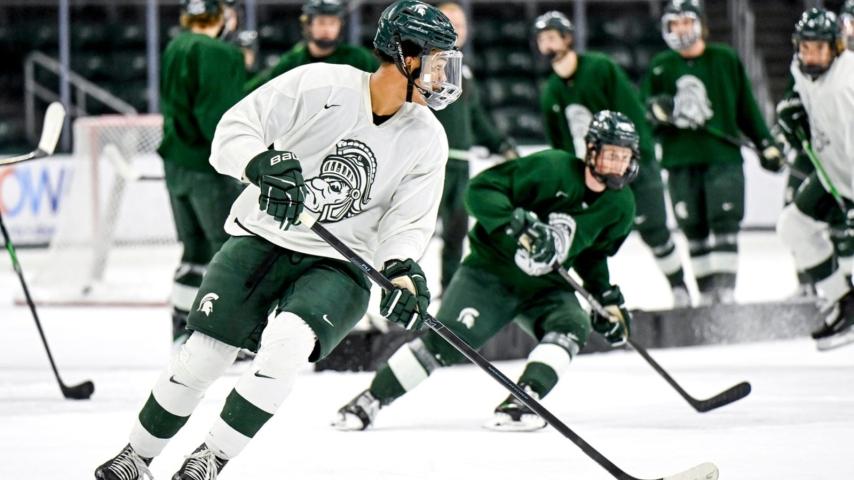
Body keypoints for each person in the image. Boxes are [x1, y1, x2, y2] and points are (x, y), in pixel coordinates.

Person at [94, 2, 460, 478]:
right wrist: (258, 164)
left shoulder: (428, 138)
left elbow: (408, 222)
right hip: (265, 235)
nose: (443, 75)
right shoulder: (320, 84)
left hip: (339, 263)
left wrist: (401, 269)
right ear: (406, 55)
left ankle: (210, 458)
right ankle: (136, 457)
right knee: (203, 356)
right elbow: (233, 132)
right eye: (436, 61)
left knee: (286, 345)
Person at [333, 110, 639, 432]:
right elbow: (479, 190)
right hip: (490, 274)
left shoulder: (621, 206)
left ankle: (524, 399)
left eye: (624, 157)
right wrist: (514, 224)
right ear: (591, 150)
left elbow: (593, 255)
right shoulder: (553, 168)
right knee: (447, 340)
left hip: (546, 286)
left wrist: (604, 299)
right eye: (611, 155)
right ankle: (371, 398)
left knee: (573, 324)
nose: (618, 164)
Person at [534, 11, 691, 308]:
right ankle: (596, 301)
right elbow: (560, 145)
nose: (547, 45)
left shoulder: (600, 68)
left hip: (631, 167)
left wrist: (639, 161)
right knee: (588, 242)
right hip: (592, 178)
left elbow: (633, 113)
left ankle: (680, 288)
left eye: (552, 37)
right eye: (542, 40)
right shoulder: (551, 92)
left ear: (567, 38)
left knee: (655, 230)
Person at [641, 0, 784, 305]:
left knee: (724, 222)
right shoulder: (660, 65)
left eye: (686, 22)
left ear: (700, 24)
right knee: (693, 228)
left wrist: (766, 143)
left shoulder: (724, 59)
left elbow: (747, 108)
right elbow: (646, 116)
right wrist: (656, 112)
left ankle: (726, 295)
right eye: (674, 24)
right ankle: (706, 298)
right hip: (679, 162)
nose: (681, 30)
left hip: (723, 159)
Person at [158, 0, 247, 348]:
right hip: (207, 169)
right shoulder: (220, 53)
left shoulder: (175, 45)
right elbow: (217, 118)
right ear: (221, 17)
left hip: (176, 164)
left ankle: (183, 330)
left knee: (192, 252)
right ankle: (222, 335)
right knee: (228, 252)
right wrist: (244, 161)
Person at [776, 7, 854, 351]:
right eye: (804, 47)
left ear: (836, 47)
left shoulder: (846, 86)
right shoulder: (802, 69)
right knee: (792, 226)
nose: (809, 55)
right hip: (834, 174)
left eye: (818, 48)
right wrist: (791, 109)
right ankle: (845, 303)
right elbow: (800, 93)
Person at [433, 1, 518, 293]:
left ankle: (449, 293)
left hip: (460, 164)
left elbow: (476, 119)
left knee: (456, 233)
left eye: (461, 23)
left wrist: (501, 144)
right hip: (432, 163)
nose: (457, 28)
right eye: (450, 22)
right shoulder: (426, 65)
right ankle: (399, 291)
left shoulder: (463, 70)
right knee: (416, 233)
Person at [244, 0, 378, 93]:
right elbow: (256, 89)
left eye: (332, 23)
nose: (327, 29)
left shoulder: (359, 58)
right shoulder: (293, 61)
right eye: (321, 22)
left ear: (340, 26)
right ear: (308, 25)